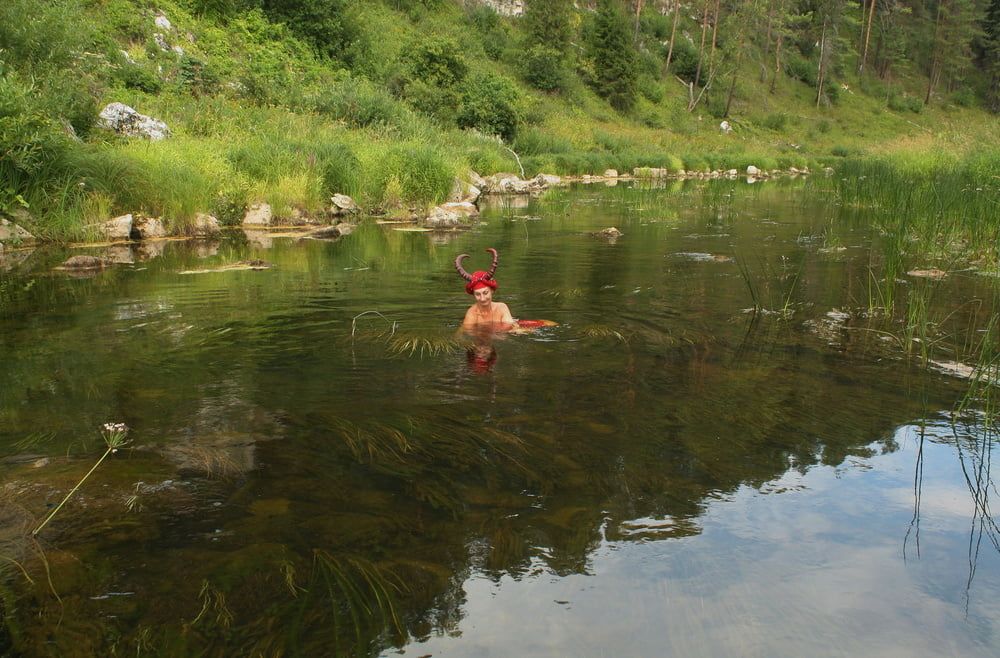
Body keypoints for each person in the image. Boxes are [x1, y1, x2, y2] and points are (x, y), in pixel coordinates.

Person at [456, 247, 515, 330]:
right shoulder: (472, 313)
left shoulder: (502, 308)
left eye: (485, 292)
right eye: (478, 294)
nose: (482, 299)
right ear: (473, 295)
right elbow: (464, 334)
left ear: (492, 291)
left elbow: (511, 329)